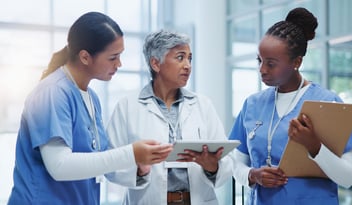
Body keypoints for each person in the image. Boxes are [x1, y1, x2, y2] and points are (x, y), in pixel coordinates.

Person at [8, 12, 172, 205]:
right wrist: (131, 153)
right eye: (113, 57)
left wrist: (138, 167)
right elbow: (59, 166)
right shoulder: (52, 93)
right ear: (85, 57)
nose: (119, 64)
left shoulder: (91, 98)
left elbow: (98, 161)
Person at [229, 7, 352, 205]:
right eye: (259, 60)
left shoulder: (327, 102)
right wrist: (252, 175)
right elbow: (236, 165)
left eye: (271, 63)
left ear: (297, 62)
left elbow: (348, 177)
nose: (262, 70)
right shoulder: (252, 104)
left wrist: (314, 146)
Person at [106, 29, 233, 205]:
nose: (188, 65)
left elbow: (226, 160)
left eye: (189, 58)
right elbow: (110, 163)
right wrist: (139, 170)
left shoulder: (203, 105)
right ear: (156, 63)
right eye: (180, 58)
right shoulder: (127, 106)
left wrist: (212, 166)